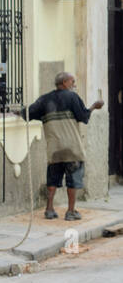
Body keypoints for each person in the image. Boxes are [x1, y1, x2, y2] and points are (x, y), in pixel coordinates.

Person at [24, 71, 104, 221]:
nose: (74, 85)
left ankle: (49, 209)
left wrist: (14, 112)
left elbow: (28, 113)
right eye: (72, 81)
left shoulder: (44, 99)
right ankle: (71, 211)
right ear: (65, 83)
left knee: (52, 179)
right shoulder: (72, 97)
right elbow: (84, 117)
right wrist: (94, 106)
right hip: (72, 148)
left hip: (54, 150)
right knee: (73, 180)